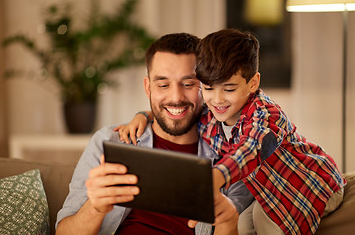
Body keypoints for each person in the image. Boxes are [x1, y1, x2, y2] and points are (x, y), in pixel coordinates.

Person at [117, 28, 346, 235]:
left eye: (229, 89)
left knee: (268, 223)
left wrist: (213, 177)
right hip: (266, 190)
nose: (217, 100)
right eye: (207, 88)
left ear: (253, 83)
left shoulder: (266, 116)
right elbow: (184, 112)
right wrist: (143, 115)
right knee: (242, 224)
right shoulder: (212, 114)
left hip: (309, 185)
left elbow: (250, 149)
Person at [55, 32, 253, 235]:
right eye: (163, 85)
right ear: (148, 88)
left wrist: (228, 222)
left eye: (188, 84)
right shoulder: (110, 140)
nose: (176, 97)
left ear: (205, 85)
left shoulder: (234, 159)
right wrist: (95, 208)